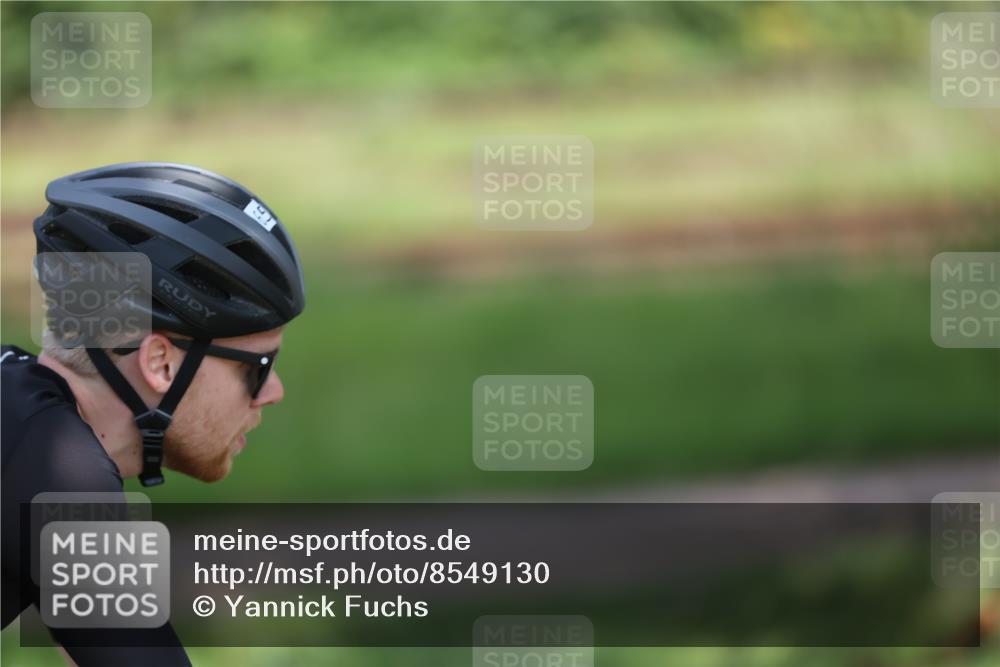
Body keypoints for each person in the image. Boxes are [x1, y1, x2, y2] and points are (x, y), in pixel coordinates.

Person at [2, 162, 306, 666]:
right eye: (257, 368)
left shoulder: (24, 425)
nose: (273, 392)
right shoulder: (61, 479)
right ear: (160, 363)